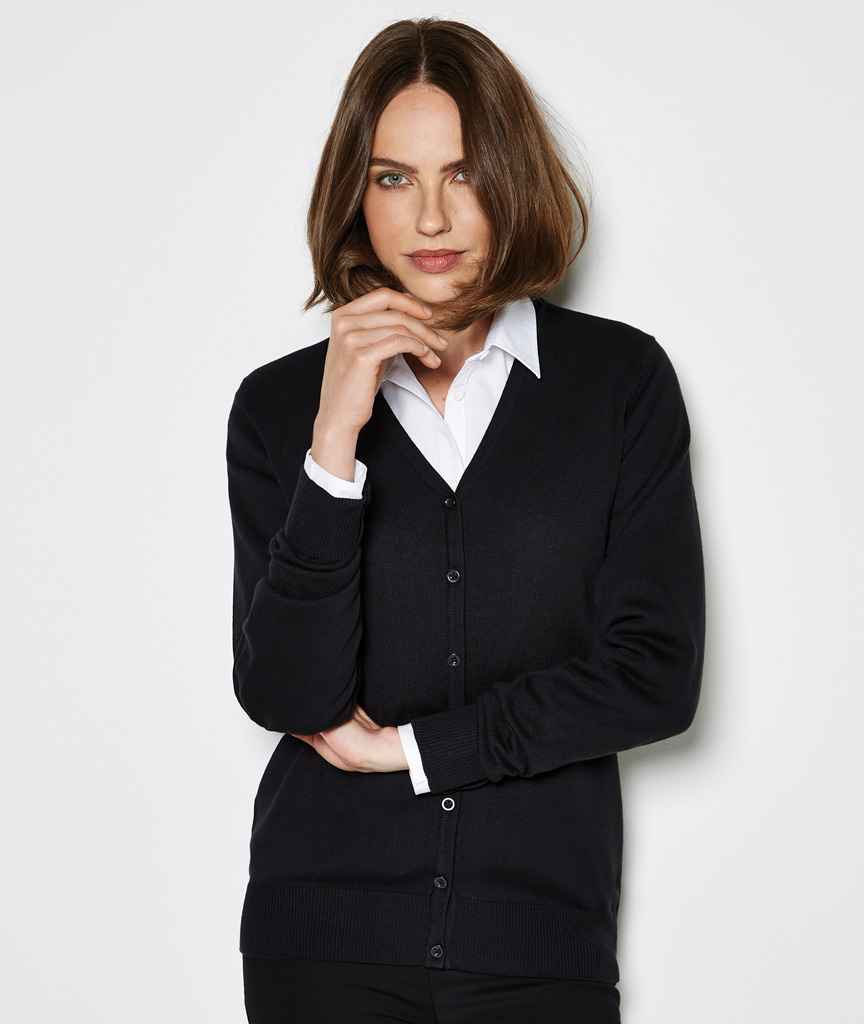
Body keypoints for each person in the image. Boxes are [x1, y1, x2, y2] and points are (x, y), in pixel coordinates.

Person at [226, 16, 705, 1024]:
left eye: (464, 172)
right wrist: (335, 437)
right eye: (394, 177)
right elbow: (287, 691)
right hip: (319, 945)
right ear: (355, 195)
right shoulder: (280, 408)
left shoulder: (617, 383)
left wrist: (419, 748)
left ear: (511, 180)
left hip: (539, 942)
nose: (432, 217)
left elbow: (654, 674)